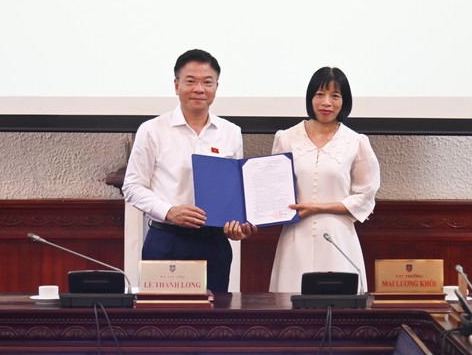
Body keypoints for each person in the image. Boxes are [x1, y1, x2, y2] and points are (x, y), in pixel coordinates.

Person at [122, 49, 256, 293]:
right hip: (166, 240)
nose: (199, 89)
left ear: (216, 87)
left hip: (214, 243)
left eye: (207, 82)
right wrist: (169, 211)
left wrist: (237, 225)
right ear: (176, 85)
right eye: (191, 81)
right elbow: (132, 186)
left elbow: (233, 191)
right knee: (163, 314)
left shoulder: (230, 132)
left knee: (214, 314)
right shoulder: (152, 130)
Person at [269, 67, 381, 293]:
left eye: (335, 96)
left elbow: (365, 196)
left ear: (344, 101)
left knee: (340, 304)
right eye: (320, 94)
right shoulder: (286, 138)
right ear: (310, 98)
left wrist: (317, 207)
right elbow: (274, 187)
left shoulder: (356, 142)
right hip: (295, 235)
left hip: (338, 237)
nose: (326, 102)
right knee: (290, 302)